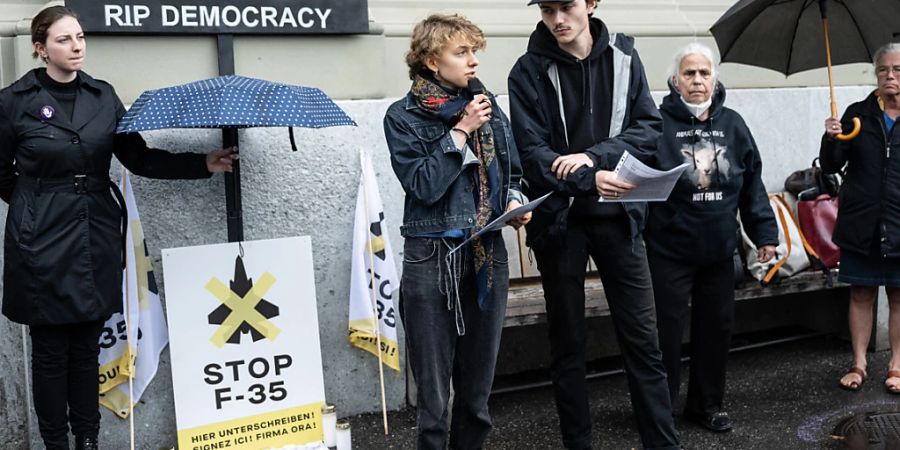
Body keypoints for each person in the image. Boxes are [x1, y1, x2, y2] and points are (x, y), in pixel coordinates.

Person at [0, 6, 236, 450]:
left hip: (94, 235)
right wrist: (37, 207)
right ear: (40, 48)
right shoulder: (14, 101)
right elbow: (2, 174)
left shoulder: (102, 95)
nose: (76, 46)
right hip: (40, 240)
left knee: (87, 346)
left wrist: (203, 163)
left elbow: (139, 157)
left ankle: (87, 439)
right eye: (63, 39)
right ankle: (55, 443)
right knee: (51, 351)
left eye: (80, 37)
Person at [507, 1, 681, 448]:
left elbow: (648, 129)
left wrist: (593, 157)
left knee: (644, 342)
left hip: (619, 216)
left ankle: (663, 443)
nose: (557, 19)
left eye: (565, 6)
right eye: (547, 10)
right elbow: (533, 153)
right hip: (560, 222)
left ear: (591, 4)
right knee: (568, 347)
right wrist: (588, 177)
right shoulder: (527, 70)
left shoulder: (625, 57)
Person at [382, 13, 531, 450]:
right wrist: (462, 130)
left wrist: (516, 203)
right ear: (431, 60)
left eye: (474, 52)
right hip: (433, 258)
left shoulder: (488, 103)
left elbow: (514, 172)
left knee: (477, 394)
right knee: (434, 400)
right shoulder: (403, 116)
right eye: (461, 52)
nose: (473, 63)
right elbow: (424, 186)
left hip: (487, 253)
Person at [644, 43, 777, 432]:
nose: (697, 80)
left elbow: (752, 181)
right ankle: (660, 411)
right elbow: (636, 179)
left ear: (714, 79)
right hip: (667, 249)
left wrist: (763, 233)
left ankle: (706, 406)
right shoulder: (655, 123)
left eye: (704, 73)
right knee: (663, 336)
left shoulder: (733, 124)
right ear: (674, 81)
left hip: (719, 250)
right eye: (689, 73)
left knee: (715, 332)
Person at [822, 42, 900, 394]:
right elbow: (830, 165)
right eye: (884, 69)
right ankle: (859, 363)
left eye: (898, 70)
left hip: (899, 222)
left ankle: (897, 366)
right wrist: (831, 137)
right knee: (861, 293)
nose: (890, 76)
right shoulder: (857, 113)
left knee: (899, 296)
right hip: (861, 222)